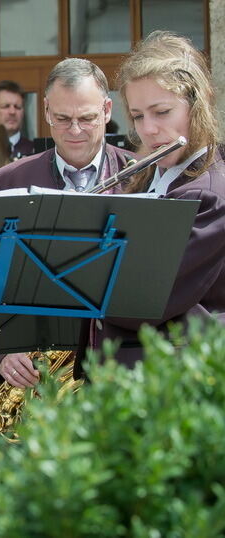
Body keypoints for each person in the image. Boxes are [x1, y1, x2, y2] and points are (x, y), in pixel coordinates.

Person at [81, 30, 225, 368]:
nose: (148, 129)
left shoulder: (209, 194)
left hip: (173, 380)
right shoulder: (148, 178)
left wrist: (80, 271)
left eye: (162, 112)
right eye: (138, 115)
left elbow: (147, 299)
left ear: (198, 104)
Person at [0, 58, 134, 388]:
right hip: (37, 374)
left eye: (87, 118)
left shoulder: (142, 176)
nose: (74, 131)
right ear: (45, 111)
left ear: (108, 109)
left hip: (121, 365)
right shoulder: (6, 181)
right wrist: (1, 354)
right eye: (62, 118)